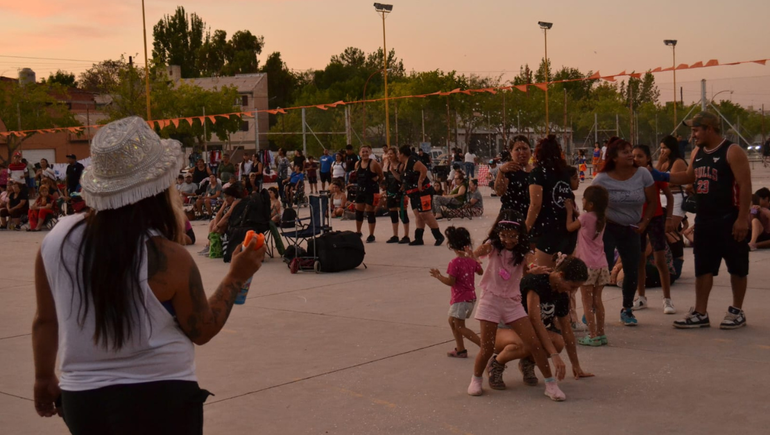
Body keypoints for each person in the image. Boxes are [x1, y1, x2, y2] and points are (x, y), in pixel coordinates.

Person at [32, 116, 265, 433]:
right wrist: (237, 276)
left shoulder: (56, 240)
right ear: (156, 188)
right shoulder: (167, 257)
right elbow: (202, 328)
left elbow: (45, 321)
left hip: (84, 402)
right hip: (161, 400)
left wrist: (44, 377)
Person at [665, 112, 752, 329]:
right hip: (705, 220)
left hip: (729, 218)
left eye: (696, 130)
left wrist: (742, 219)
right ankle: (700, 313)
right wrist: (659, 176)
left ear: (709, 129)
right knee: (703, 268)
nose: (692, 135)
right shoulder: (697, 152)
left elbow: (745, 186)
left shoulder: (732, 151)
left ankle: (736, 310)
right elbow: (687, 177)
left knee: (737, 267)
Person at [467, 210, 566, 400]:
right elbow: (479, 252)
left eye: (513, 236)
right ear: (498, 233)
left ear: (520, 234)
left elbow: (529, 265)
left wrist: (534, 269)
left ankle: (550, 385)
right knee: (486, 347)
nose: (508, 240)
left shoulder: (524, 252)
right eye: (503, 235)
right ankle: (476, 378)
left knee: (534, 344)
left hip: (512, 302)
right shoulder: (493, 246)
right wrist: (472, 255)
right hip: (491, 299)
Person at [591, 137, 657, 326]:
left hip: (633, 228)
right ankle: (592, 307)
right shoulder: (601, 179)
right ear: (613, 157)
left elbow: (652, 201)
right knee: (600, 269)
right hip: (609, 226)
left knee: (632, 268)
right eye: (625, 152)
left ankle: (627, 308)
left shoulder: (642, 174)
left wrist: (645, 222)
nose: (630, 155)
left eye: (631, 151)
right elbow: (591, 203)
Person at [632, 145, 677, 314]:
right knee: (640, 259)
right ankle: (641, 297)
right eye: (633, 156)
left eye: (640, 156)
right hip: (637, 220)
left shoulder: (654, 175)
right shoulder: (630, 175)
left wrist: (670, 218)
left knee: (660, 259)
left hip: (656, 219)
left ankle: (667, 299)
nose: (636, 159)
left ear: (648, 158)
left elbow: (670, 196)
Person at [566, 186, 610, 346]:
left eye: (584, 198)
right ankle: (601, 333)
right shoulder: (601, 218)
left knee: (586, 301)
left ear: (590, 204)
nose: (582, 200)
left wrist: (569, 212)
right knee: (597, 300)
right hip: (602, 264)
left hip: (587, 266)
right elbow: (585, 221)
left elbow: (570, 227)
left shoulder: (585, 218)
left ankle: (592, 335)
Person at [429, 226, 482, 358]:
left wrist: (438, 276)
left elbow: (451, 282)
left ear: (451, 246)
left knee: (459, 326)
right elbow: (480, 271)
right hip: (470, 298)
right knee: (452, 321)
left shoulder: (455, 263)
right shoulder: (470, 260)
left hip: (460, 299)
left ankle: (486, 347)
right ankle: (460, 349)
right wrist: (473, 257)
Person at [525, 135, 574, 268]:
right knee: (563, 278)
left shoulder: (538, 173)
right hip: (567, 231)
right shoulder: (564, 173)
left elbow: (535, 205)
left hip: (546, 230)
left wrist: (525, 229)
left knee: (544, 277)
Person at [398, 145, 444, 246]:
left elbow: (423, 169)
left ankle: (438, 235)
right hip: (413, 194)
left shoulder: (412, 161)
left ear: (402, 154)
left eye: (398, 154)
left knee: (425, 214)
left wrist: (420, 182)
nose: (398, 156)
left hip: (423, 192)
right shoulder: (404, 164)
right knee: (418, 215)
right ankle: (419, 238)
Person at [656, 135, 690, 232]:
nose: (662, 151)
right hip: (662, 198)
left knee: (670, 230)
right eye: (661, 148)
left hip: (675, 198)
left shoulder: (678, 162)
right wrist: (660, 162)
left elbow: (671, 182)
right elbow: (653, 177)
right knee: (661, 231)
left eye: (665, 148)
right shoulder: (664, 163)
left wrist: (661, 181)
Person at [495, 136, 532, 220]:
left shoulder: (536, 172)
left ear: (530, 151)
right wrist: (501, 172)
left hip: (530, 217)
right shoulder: (507, 171)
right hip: (509, 217)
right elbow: (499, 192)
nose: (522, 152)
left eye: (525, 148)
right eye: (517, 149)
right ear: (511, 152)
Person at [354, 145, 383, 243]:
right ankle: (358, 232)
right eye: (363, 152)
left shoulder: (373, 163)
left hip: (371, 191)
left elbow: (381, 175)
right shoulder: (357, 164)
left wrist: (378, 181)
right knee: (359, 212)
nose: (365, 153)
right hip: (360, 190)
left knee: (370, 212)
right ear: (359, 153)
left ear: (369, 153)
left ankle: (371, 234)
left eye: (366, 152)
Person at [382, 147, 410, 244]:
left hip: (400, 192)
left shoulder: (401, 166)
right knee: (393, 214)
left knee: (403, 214)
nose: (389, 156)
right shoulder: (387, 165)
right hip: (390, 191)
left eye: (391, 154)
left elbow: (402, 179)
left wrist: (393, 171)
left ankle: (406, 235)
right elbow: (385, 178)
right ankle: (395, 235)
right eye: (388, 154)